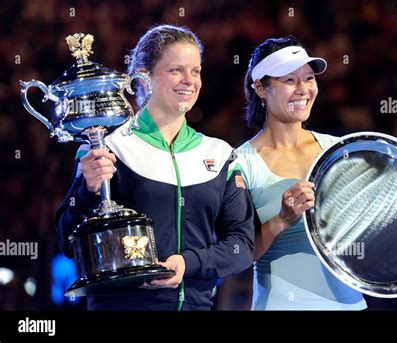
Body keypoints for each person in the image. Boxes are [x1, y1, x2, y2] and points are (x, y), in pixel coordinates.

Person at [235, 37, 397, 310]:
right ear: (260, 87)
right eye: (290, 81)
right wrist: (281, 220)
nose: (303, 89)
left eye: (308, 78)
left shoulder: (338, 151)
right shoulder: (240, 162)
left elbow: (380, 228)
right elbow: (237, 256)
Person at [55, 24, 254, 310]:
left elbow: (242, 246)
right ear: (143, 77)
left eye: (195, 71)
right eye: (176, 70)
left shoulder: (220, 154)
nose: (189, 80)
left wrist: (189, 263)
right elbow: (67, 240)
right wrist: (87, 191)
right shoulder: (107, 148)